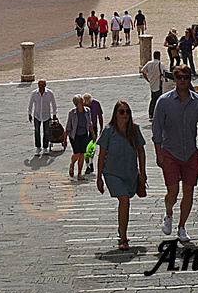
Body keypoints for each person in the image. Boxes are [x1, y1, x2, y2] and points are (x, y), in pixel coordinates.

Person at [152, 64, 198, 246]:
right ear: (174, 79)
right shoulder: (164, 101)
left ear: (190, 78)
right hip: (170, 151)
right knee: (173, 191)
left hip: (190, 153)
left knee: (189, 191)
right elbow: (156, 129)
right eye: (178, 77)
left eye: (185, 77)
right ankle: (169, 212)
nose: (182, 80)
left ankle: (182, 226)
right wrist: (158, 154)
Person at [96, 99, 147, 250]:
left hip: (129, 172)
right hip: (112, 172)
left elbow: (141, 151)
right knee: (124, 199)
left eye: (127, 112)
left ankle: (121, 228)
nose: (125, 115)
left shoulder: (134, 129)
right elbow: (101, 154)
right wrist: (99, 177)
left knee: (126, 200)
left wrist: (142, 173)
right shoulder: (109, 131)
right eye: (122, 112)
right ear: (116, 114)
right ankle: (123, 237)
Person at [63, 95, 94, 180]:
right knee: (77, 154)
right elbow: (68, 127)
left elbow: (90, 124)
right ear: (77, 103)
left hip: (84, 135)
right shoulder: (72, 113)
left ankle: (79, 173)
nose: (83, 101)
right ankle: (72, 164)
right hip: (74, 136)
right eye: (81, 101)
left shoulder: (87, 111)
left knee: (82, 154)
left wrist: (93, 134)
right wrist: (64, 140)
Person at [28, 79, 57, 155]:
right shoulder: (34, 93)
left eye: (42, 85)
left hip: (46, 115)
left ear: (45, 85)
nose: (41, 87)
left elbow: (54, 104)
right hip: (37, 115)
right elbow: (31, 103)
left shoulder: (50, 93)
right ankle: (38, 147)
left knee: (46, 132)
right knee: (37, 131)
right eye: (39, 85)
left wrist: (54, 114)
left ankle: (45, 147)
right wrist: (29, 113)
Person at [141, 50, 168, 118]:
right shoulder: (160, 64)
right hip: (159, 84)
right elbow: (165, 72)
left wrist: (147, 79)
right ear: (159, 56)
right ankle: (158, 113)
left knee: (153, 99)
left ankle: (151, 113)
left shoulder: (149, 63)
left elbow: (143, 71)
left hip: (152, 84)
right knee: (159, 99)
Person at [82, 93, 104, 171]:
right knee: (85, 147)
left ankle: (90, 162)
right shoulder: (81, 105)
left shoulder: (96, 103)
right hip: (84, 129)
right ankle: (87, 165)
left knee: (92, 146)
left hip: (93, 127)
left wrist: (101, 127)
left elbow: (100, 115)